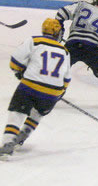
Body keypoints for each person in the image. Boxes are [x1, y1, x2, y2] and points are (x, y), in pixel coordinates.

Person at [0, 18, 71, 159]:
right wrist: (58, 93)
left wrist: (20, 72)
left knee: (17, 113)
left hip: (31, 86)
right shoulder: (65, 51)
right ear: (57, 33)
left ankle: (8, 144)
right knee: (37, 114)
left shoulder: (34, 41)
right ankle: (21, 138)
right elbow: (66, 79)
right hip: (53, 93)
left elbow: (15, 62)